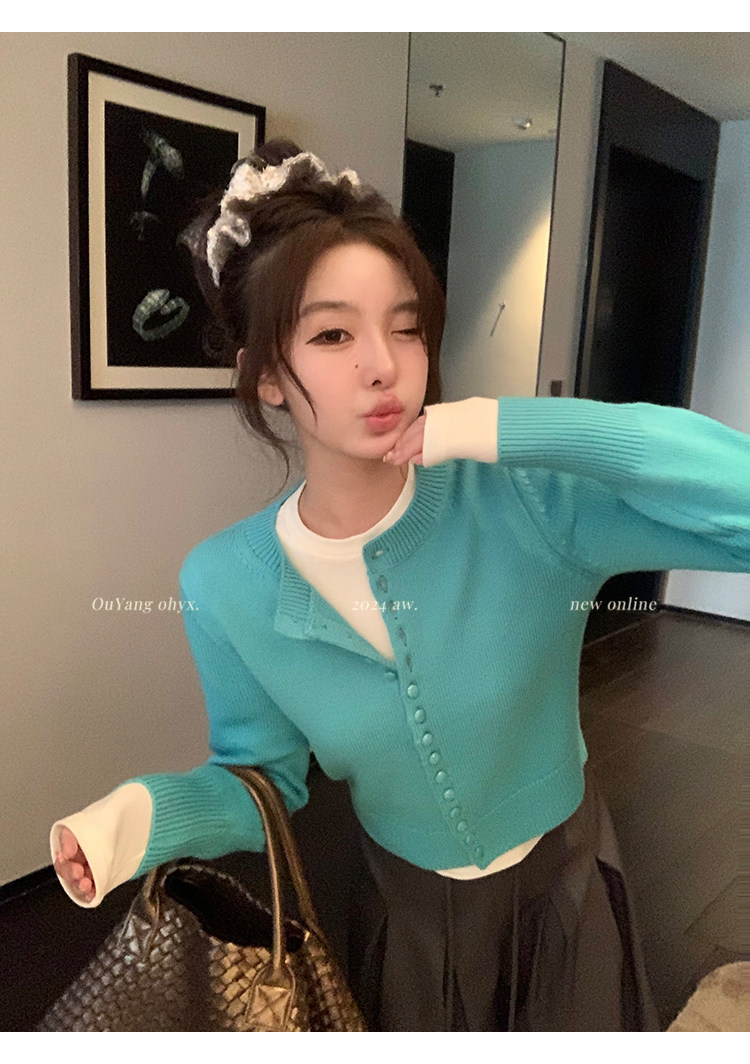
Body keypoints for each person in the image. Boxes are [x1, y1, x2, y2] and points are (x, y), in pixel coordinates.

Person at [51, 139, 750, 1032]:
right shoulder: (224, 582)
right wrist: (133, 821)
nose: (385, 364)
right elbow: (262, 781)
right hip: (401, 914)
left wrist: (507, 428)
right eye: (333, 334)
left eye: (407, 326)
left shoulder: (527, 501)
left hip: (565, 888)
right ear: (268, 376)